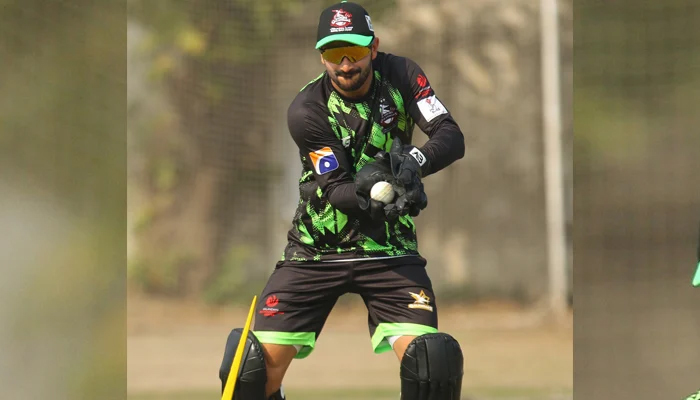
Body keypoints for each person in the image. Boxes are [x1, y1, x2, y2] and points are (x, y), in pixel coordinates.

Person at [219, 2, 465, 399]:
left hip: (389, 251)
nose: (345, 64)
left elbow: (449, 135)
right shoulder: (307, 109)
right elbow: (336, 190)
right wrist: (380, 192)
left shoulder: (402, 74)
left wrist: (414, 163)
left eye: (353, 51)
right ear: (322, 57)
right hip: (316, 251)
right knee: (246, 374)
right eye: (334, 54)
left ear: (373, 46)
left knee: (431, 366)